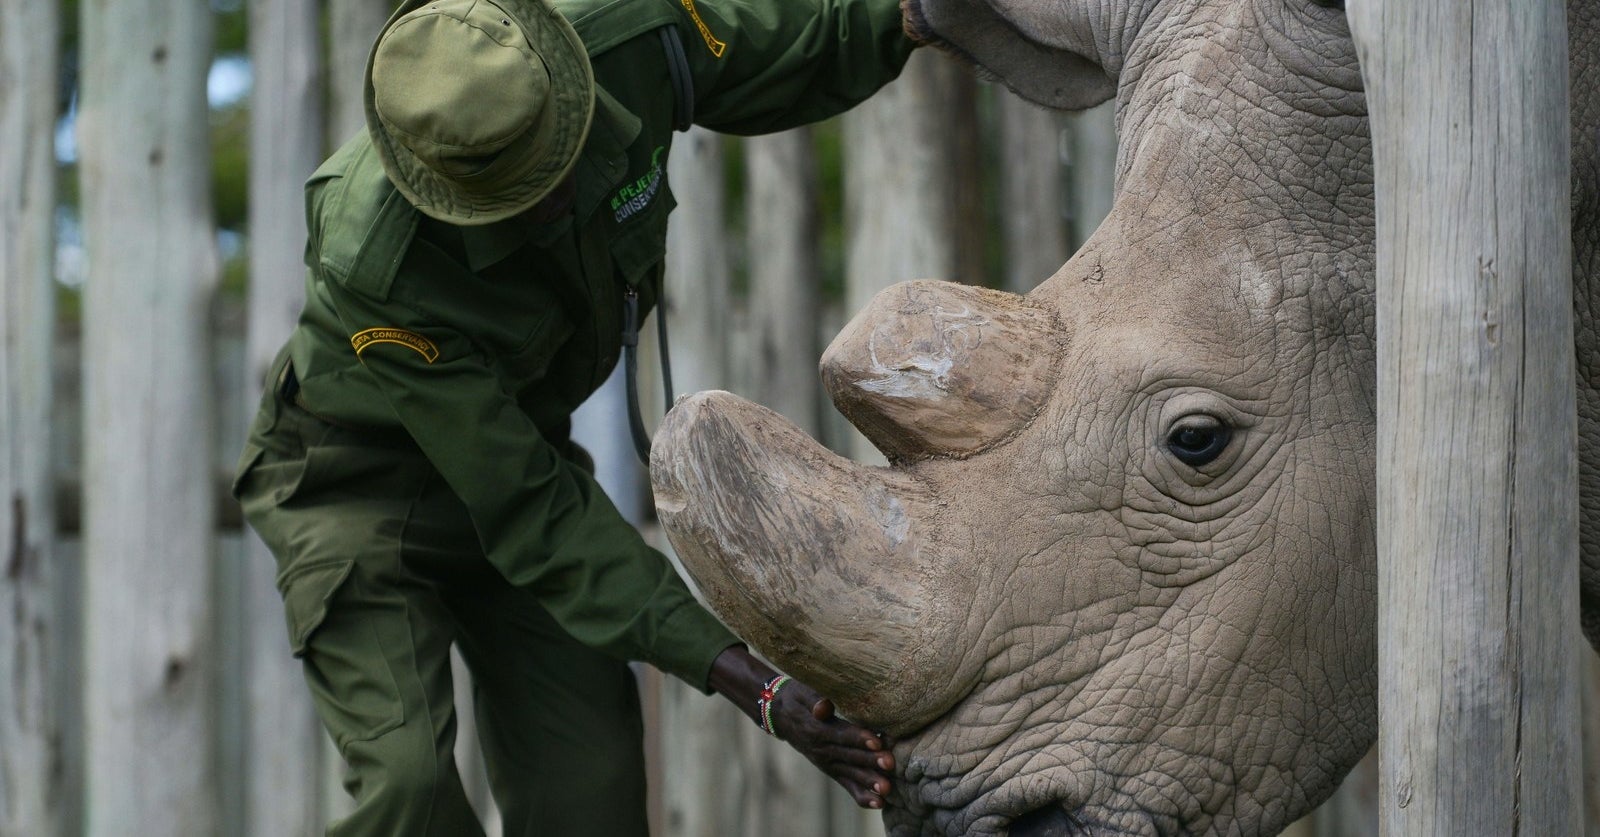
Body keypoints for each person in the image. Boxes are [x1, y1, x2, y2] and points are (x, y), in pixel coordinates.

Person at [231, 0, 917, 832]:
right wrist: (752, 682)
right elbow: (530, 512)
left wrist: (914, 14)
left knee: (589, 790)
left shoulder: (630, 34)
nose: (559, 192)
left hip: (525, 457)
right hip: (358, 492)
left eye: (550, 153)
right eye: (515, 190)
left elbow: (797, 47)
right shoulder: (376, 259)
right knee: (406, 790)